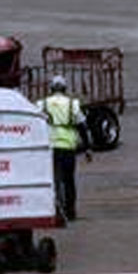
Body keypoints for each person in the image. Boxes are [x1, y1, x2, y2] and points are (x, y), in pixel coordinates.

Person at [37, 74, 89, 221]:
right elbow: (81, 125)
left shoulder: (43, 104)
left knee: (54, 179)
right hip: (67, 146)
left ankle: (54, 210)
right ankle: (70, 211)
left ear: (51, 89)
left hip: (50, 146)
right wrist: (87, 147)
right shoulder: (72, 104)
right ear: (65, 89)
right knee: (69, 180)